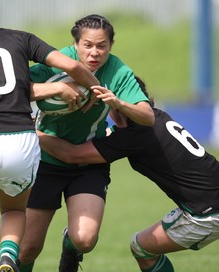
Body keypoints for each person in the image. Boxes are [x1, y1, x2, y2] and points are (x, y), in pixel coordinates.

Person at [36, 77, 219, 271]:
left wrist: (34, 133)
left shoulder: (133, 136)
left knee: (141, 248)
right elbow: (116, 135)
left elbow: (73, 155)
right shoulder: (155, 115)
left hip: (209, 212)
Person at [0, 1, 100, 272]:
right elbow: (71, 66)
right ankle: (8, 255)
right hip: (19, 140)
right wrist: (94, 89)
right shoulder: (20, 38)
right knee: (12, 211)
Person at [19, 14, 155, 272]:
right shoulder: (57, 61)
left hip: (87, 163)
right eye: (87, 45)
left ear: (111, 46)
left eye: (102, 46)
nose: (95, 53)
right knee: (27, 248)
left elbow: (147, 116)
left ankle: (69, 249)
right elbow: (17, 89)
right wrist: (57, 89)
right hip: (43, 161)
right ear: (76, 43)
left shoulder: (117, 71)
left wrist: (118, 102)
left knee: (85, 239)